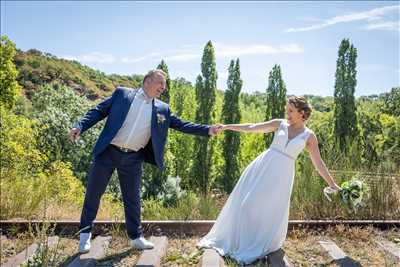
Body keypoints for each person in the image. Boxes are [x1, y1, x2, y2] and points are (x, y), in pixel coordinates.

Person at [69, 69, 221, 252]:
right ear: (147, 81)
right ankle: (85, 236)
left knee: (133, 199)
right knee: (93, 194)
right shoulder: (122, 94)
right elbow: (98, 111)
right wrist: (80, 126)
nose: (163, 88)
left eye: (164, 86)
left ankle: (135, 237)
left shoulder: (162, 109)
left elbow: (181, 124)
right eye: (160, 84)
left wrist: (207, 130)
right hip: (108, 152)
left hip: (133, 158)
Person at [197, 96, 341, 265]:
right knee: (247, 205)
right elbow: (252, 127)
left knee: (269, 210)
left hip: (282, 177)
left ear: (302, 113)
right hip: (263, 168)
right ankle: (239, 242)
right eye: (287, 110)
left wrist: (332, 184)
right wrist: (227, 127)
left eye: (291, 111)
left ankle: (257, 244)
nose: (287, 114)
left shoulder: (309, 136)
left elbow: (318, 163)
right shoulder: (280, 124)